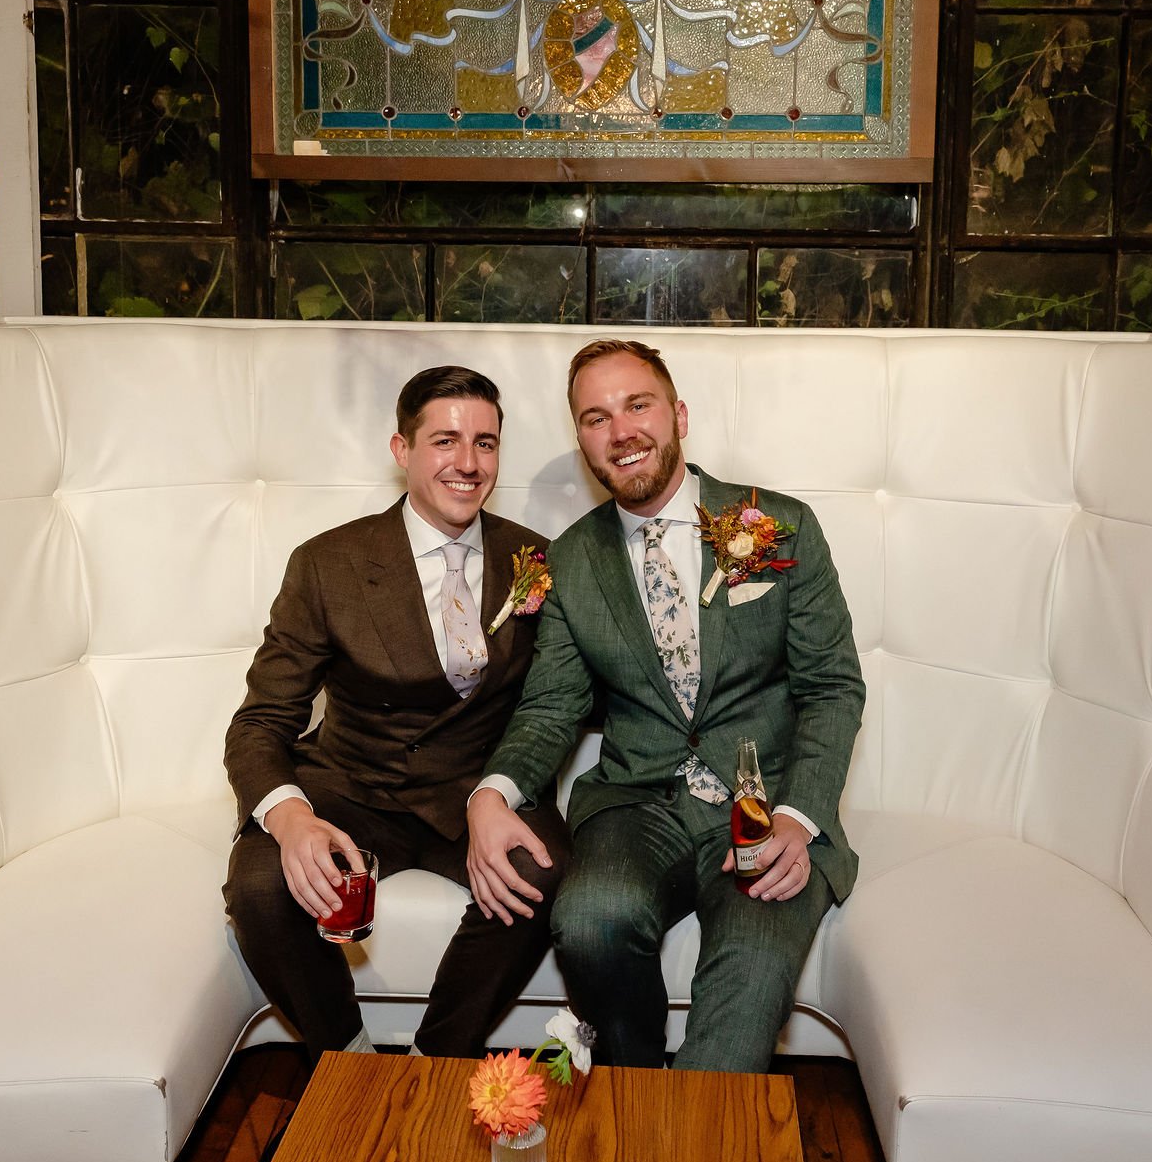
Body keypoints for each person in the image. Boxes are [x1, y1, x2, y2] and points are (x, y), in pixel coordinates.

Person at [465, 339, 863, 1073]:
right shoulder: (571, 561)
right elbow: (550, 707)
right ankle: (633, 1094)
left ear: (678, 415)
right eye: (596, 417)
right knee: (589, 918)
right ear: (582, 439)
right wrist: (492, 793)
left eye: (637, 405)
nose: (621, 431)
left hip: (766, 807)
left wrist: (799, 817)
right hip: (636, 801)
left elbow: (833, 686)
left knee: (750, 975)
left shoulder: (781, 525)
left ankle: (692, 1131)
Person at [223, 366, 571, 1062]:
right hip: (351, 786)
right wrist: (290, 819)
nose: (468, 462)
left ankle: (433, 1062)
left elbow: (560, 697)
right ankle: (348, 1059)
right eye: (445, 440)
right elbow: (260, 722)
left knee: (541, 872)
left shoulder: (535, 558)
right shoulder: (327, 563)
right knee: (259, 886)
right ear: (401, 449)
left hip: (476, 789)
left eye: (485, 443)